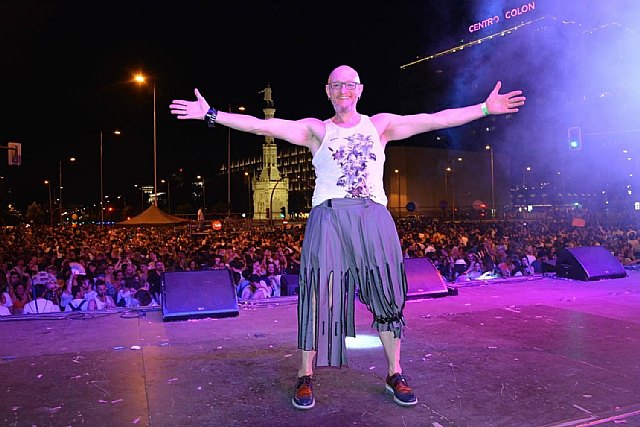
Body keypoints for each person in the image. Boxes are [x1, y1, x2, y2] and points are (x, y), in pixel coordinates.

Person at [169, 64, 525, 410]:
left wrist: (483, 109)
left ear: (360, 90)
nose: (343, 90)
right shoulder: (316, 130)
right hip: (329, 218)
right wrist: (212, 114)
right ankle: (305, 374)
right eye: (336, 85)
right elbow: (265, 125)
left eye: (349, 84)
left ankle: (394, 372)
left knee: (387, 296)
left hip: (373, 217)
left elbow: (434, 118)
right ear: (328, 92)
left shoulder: (381, 126)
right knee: (318, 295)